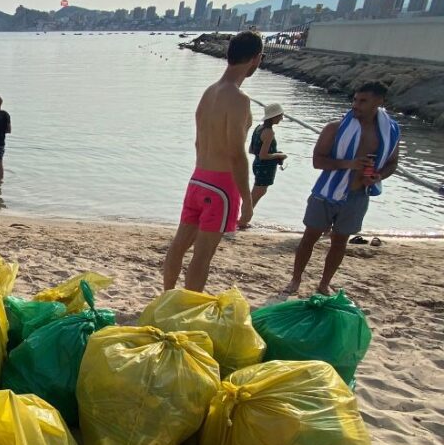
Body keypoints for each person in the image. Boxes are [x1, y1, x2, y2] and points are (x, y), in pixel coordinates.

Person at [161, 30, 264, 292]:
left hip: (198, 178)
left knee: (178, 246)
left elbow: (198, 142)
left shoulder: (208, 93)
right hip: (221, 186)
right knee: (202, 256)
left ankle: (167, 298)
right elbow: (236, 154)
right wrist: (247, 201)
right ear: (256, 59)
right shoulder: (239, 99)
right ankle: (189, 307)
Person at [285, 81, 400, 295]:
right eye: (355, 99)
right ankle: (295, 280)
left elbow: (392, 163)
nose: (356, 105)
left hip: (358, 195)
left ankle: (324, 283)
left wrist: (378, 176)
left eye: (363, 101)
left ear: (379, 102)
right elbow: (318, 161)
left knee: (340, 242)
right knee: (309, 236)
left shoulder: (389, 132)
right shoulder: (334, 128)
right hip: (326, 192)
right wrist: (349, 163)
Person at [240, 102, 288, 227]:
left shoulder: (258, 128)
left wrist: (274, 153)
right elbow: (263, 155)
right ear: (274, 117)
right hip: (265, 167)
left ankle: (242, 219)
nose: (282, 118)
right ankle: (243, 221)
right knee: (255, 195)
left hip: (257, 165)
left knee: (254, 194)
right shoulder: (269, 132)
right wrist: (279, 155)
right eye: (280, 116)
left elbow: (252, 150)